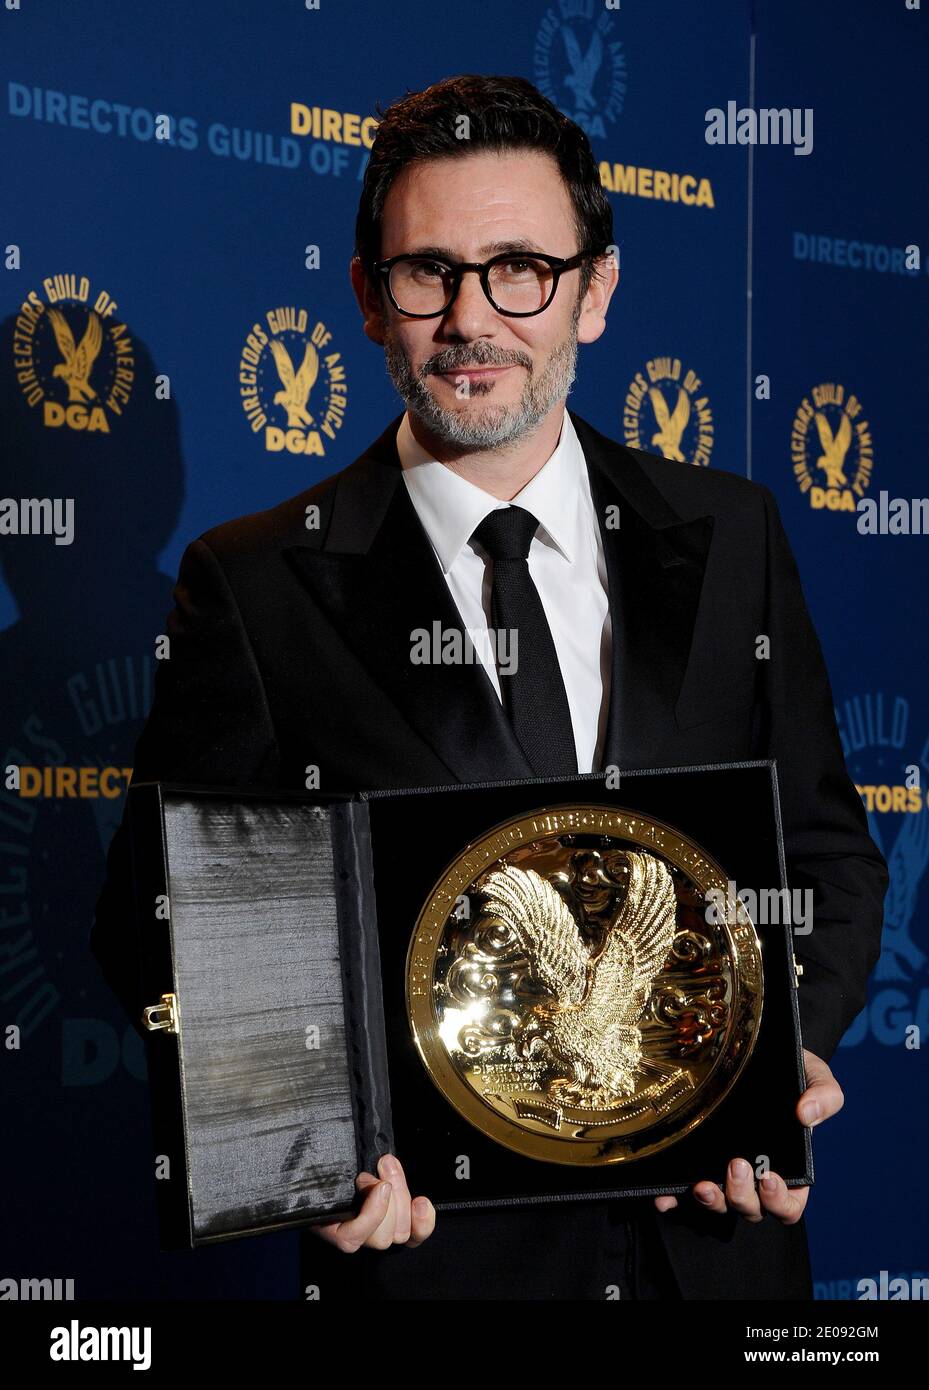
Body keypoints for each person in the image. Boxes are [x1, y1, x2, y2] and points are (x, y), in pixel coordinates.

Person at [91, 73, 888, 1300]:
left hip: (720, 1253)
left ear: (595, 292)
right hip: (441, 1272)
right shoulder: (253, 584)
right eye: (428, 273)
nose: (472, 319)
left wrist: (787, 1058)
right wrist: (317, 1156)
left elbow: (826, 856)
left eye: (518, 267)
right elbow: (160, 930)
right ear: (369, 298)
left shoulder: (731, 533)